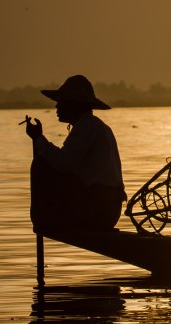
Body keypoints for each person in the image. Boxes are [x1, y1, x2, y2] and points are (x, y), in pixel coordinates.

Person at [24, 75, 126, 233]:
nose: (57, 106)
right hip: (106, 210)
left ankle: (43, 219)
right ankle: (48, 217)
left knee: (40, 165)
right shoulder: (95, 126)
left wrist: (38, 139)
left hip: (98, 210)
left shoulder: (87, 127)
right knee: (45, 163)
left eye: (62, 102)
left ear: (74, 105)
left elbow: (63, 164)